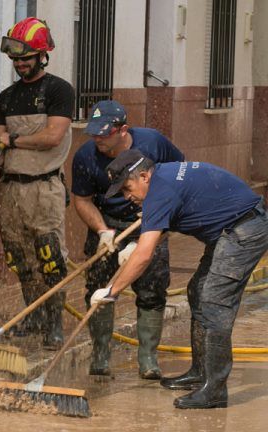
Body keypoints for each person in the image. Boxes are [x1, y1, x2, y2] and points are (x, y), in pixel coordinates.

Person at [91, 149, 268, 409]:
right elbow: (164, 224)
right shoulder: (163, 179)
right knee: (197, 291)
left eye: (127, 189)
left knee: (214, 303)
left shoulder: (159, 192)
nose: (128, 197)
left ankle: (215, 390)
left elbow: (144, 256)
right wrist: (138, 244)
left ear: (143, 176)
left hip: (244, 230)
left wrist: (111, 291)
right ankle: (201, 372)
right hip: (229, 229)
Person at [71, 100, 185, 378]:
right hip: (107, 225)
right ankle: (100, 357)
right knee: (98, 290)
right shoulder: (86, 156)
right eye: (94, 132)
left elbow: (178, 175)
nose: (97, 138)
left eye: (104, 133)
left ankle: (148, 359)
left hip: (149, 223)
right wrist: (102, 230)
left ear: (123, 130)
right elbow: (81, 199)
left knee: (151, 290)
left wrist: (156, 213)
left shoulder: (153, 143)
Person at [0, 17, 75, 349]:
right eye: (16, 60)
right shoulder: (7, 97)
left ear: (42, 56)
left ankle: (54, 323)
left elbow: (52, 137)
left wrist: (13, 140)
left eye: (27, 59)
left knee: (49, 255)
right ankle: (33, 316)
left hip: (44, 187)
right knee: (20, 257)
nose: (21, 64)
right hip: (10, 189)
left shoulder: (58, 90)